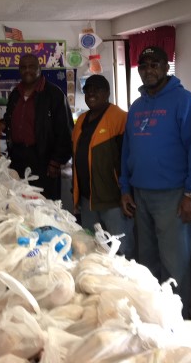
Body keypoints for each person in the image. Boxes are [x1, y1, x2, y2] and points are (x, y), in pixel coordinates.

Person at [120, 46, 191, 315]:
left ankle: (177, 325)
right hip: (140, 195)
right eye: (143, 65)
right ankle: (151, 317)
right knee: (146, 262)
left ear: (166, 67)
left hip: (172, 196)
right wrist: (126, 189)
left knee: (174, 265)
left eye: (155, 64)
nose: (149, 70)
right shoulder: (136, 106)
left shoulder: (184, 101)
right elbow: (127, 150)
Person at [72, 75, 134, 257]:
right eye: (87, 89)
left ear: (107, 92)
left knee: (121, 251)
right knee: (91, 250)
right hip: (87, 199)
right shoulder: (81, 121)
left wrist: (127, 192)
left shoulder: (120, 118)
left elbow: (129, 159)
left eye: (97, 89)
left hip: (113, 200)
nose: (91, 93)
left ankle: (126, 285)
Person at [1, 53, 73, 200]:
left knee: (44, 204)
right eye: (23, 67)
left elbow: (65, 131)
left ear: (39, 69)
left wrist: (56, 162)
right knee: (19, 201)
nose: (27, 70)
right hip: (17, 158)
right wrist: (3, 123)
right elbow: (9, 117)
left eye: (31, 67)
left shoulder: (54, 95)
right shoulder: (15, 94)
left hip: (44, 161)